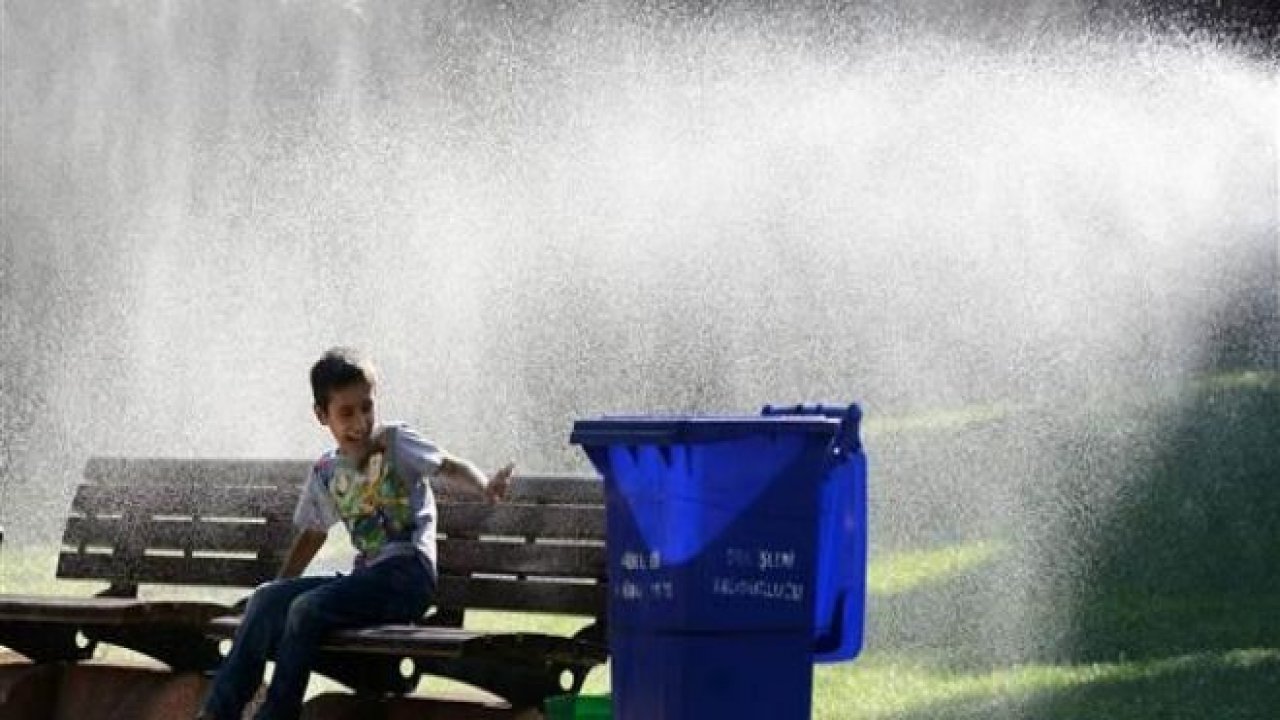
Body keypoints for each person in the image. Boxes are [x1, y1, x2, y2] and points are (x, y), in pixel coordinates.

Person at [197, 347, 513, 720]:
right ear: (321, 415)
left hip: (407, 578)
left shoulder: (396, 443)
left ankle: (277, 714)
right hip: (367, 582)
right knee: (266, 598)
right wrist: (276, 596)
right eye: (346, 412)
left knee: (306, 609)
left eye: (367, 407)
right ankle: (217, 713)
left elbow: (448, 464)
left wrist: (484, 486)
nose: (360, 422)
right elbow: (313, 535)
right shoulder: (327, 471)